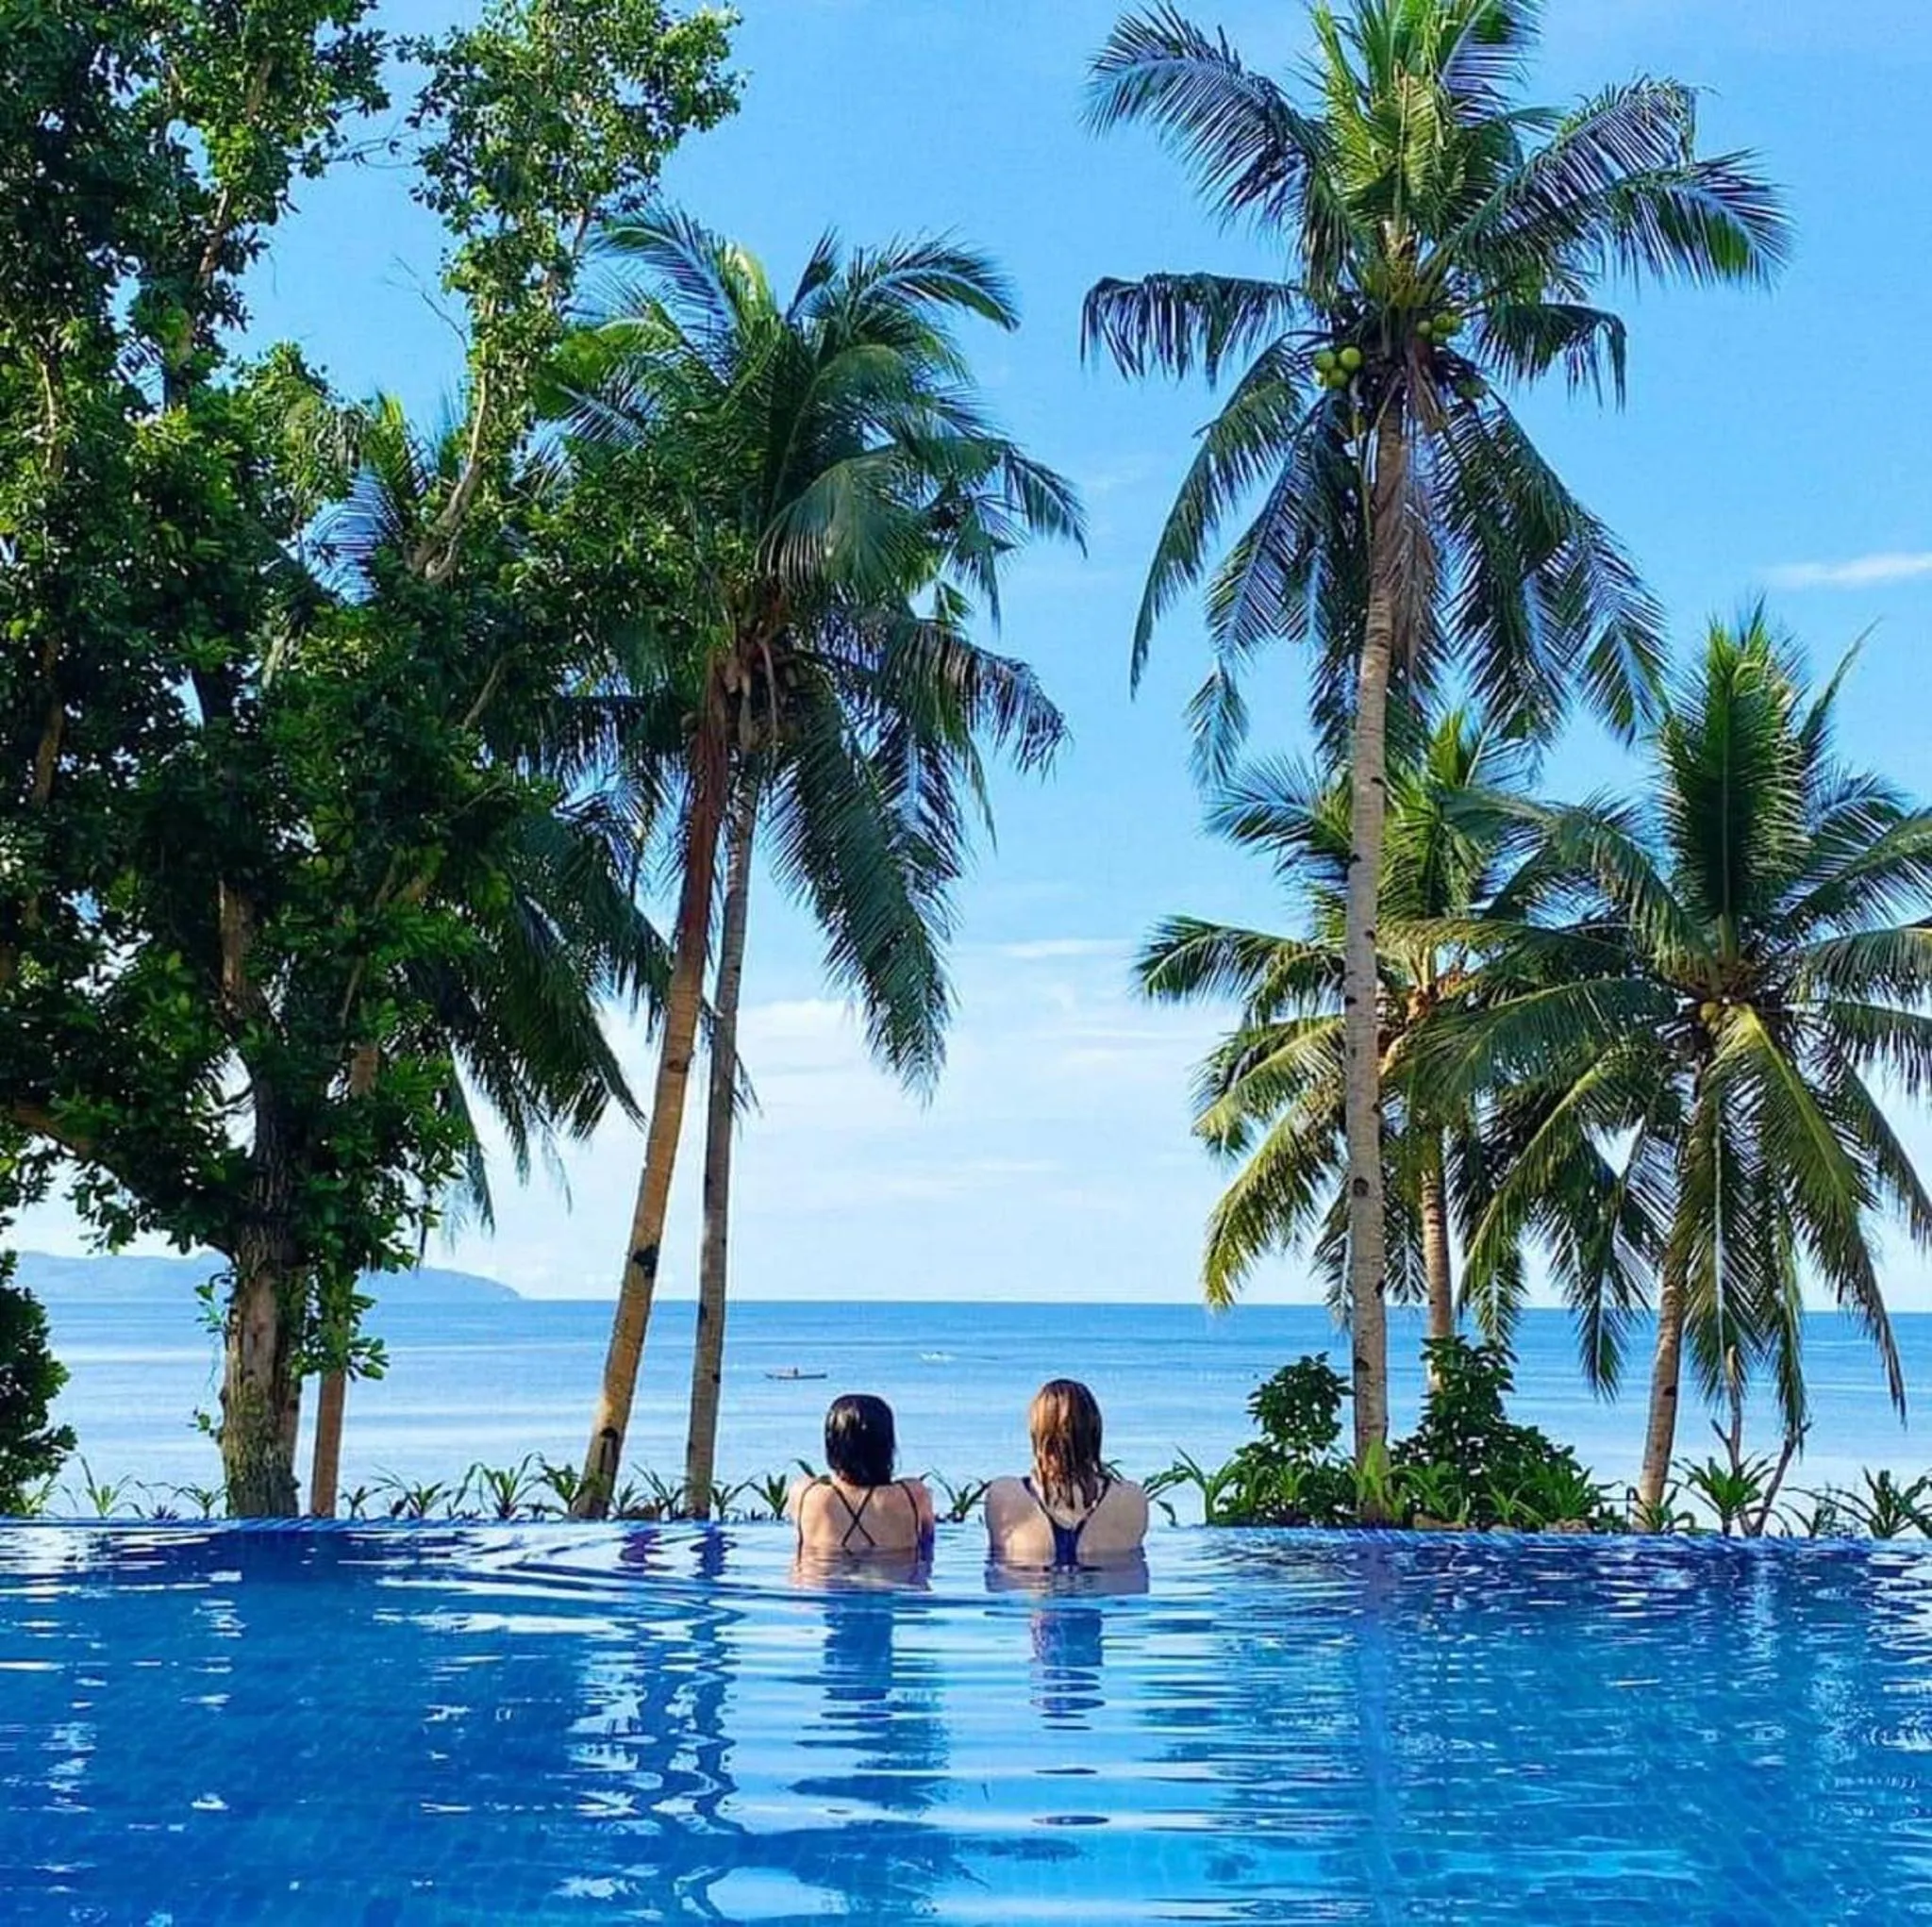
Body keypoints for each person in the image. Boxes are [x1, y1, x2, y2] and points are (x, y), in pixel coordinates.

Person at [984, 1379, 1149, 1570]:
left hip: (1033, 1590)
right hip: (1104, 1595)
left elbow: (998, 1580)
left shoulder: (1003, 1493)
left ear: (1037, 1432)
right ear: (1094, 1429)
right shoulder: (1131, 1497)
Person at [789, 1393, 935, 1558]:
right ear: (886, 1444)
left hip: (823, 1580)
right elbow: (927, 1549)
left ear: (832, 1443)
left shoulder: (804, 1493)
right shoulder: (913, 1494)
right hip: (893, 1580)